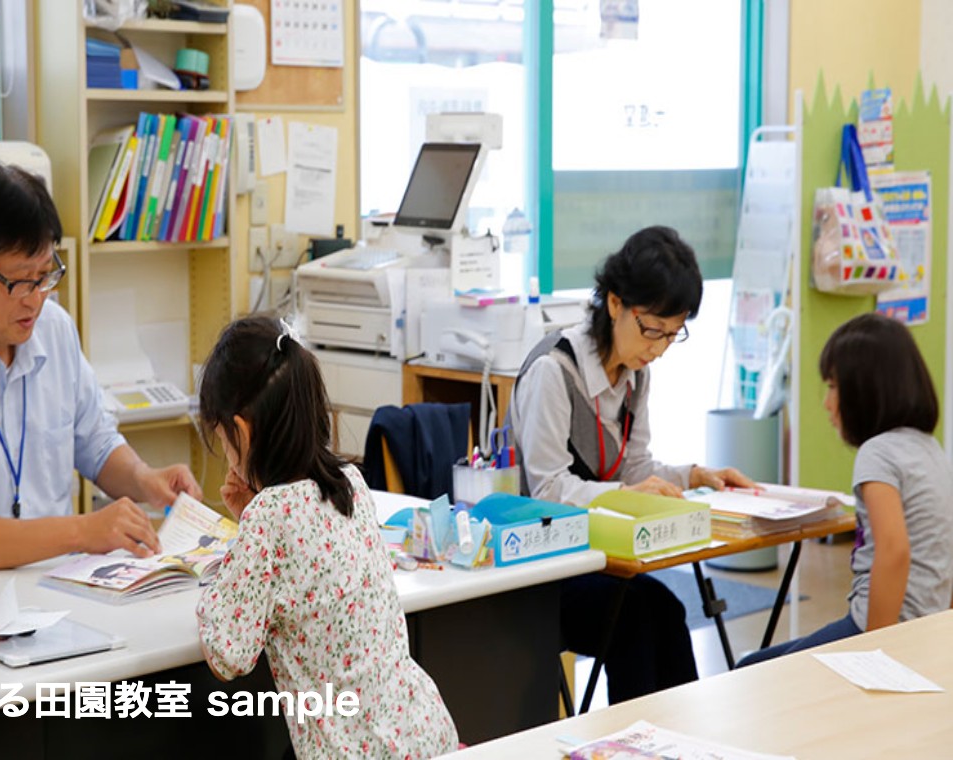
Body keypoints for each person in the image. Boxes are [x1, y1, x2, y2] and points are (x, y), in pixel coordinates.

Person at [0, 163, 201, 583]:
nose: (34, 300)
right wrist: (83, 531)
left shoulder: (55, 330)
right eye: (18, 282)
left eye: (44, 276)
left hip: (59, 590)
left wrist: (144, 479)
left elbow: (96, 444)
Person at [509, 225, 754, 704]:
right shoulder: (553, 372)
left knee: (666, 610)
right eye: (652, 330)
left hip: (603, 557)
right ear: (615, 303)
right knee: (638, 619)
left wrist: (695, 476)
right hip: (545, 568)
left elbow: (634, 465)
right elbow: (548, 489)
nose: (659, 348)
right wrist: (623, 496)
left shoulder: (635, 376)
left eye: (672, 333)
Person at [195, 316, 458, 759]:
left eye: (222, 438)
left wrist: (242, 543)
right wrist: (252, 529)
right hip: (425, 734)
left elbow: (228, 654)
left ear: (240, 431)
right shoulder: (351, 484)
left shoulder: (270, 516)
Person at [738, 313, 953, 666]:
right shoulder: (930, 449)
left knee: (749, 670)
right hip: (925, 626)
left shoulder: (878, 453)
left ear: (865, 389)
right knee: (756, 663)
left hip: (883, 626)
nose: (826, 402)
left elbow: (893, 551)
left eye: (833, 387)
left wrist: (877, 654)